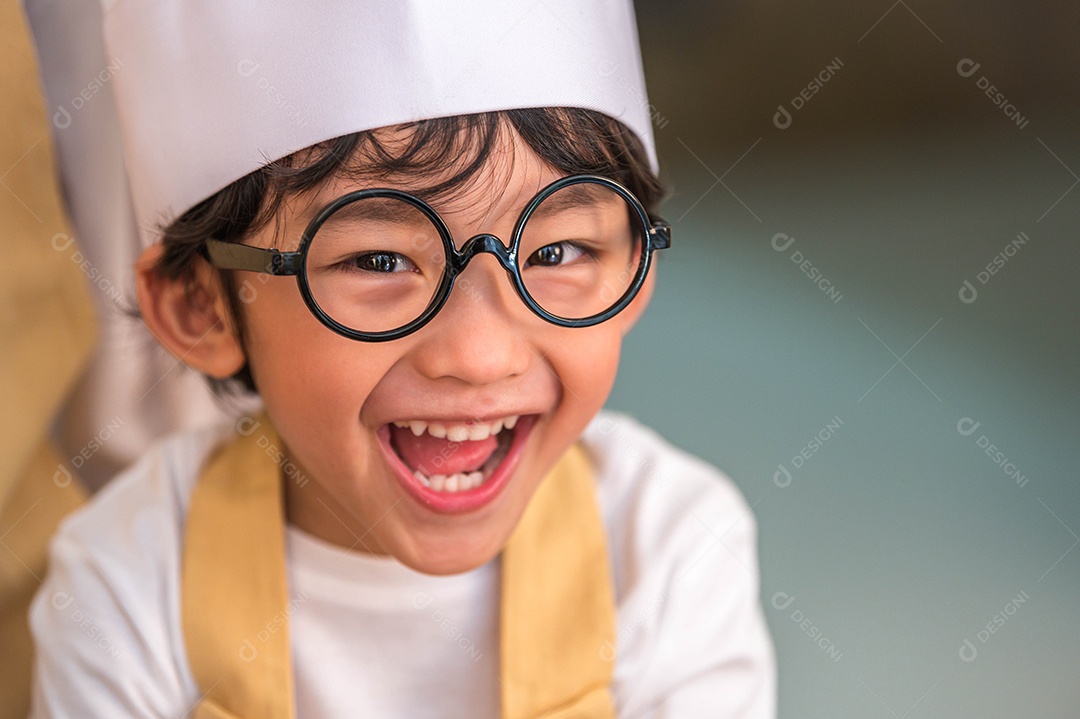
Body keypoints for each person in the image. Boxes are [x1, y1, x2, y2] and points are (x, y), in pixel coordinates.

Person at [28, 1, 775, 717]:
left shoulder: (670, 551)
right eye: (379, 259)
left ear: (636, 271)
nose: (479, 356)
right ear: (202, 306)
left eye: (555, 251)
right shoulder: (126, 585)